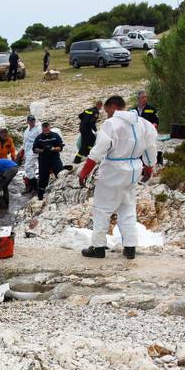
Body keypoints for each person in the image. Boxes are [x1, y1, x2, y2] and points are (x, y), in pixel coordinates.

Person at [77, 95, 157, 260]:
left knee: (102, 209)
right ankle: (130, 247)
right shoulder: (143, 123)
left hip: (113, 171)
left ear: (113, 107)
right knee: (127, 209)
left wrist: (84, 172)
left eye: (107, 111)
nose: (107, 115)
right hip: (134, 170)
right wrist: (149, 167)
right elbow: (151, 148)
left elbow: (97, 152)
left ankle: (98, 247)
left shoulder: (111, 124)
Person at [31, 122, 64, 200]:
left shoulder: (55, 136)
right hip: (43, 160)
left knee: (61, 174)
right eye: (44, 130)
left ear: (49, 128)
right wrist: (42, 150)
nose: (46, 131)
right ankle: (40, 197)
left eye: (47, 130)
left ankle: (62, 193)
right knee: (42, 179)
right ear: (42, 129)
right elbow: (34, 149)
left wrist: (54, 149)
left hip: (54, 159)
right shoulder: (39, 138)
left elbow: (60, 147)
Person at [19, 115, 41, 194]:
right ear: (28, 121)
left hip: (34, 149)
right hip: (27, 149)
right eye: (30, 121)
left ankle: (35, 187)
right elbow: (25, 141)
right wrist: (23, 149)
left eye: (33, 120)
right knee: (31, 167)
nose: (32, 122)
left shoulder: (38, 129)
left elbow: (41, 138)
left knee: (28, 167)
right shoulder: (27, 130)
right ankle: (29, 185)